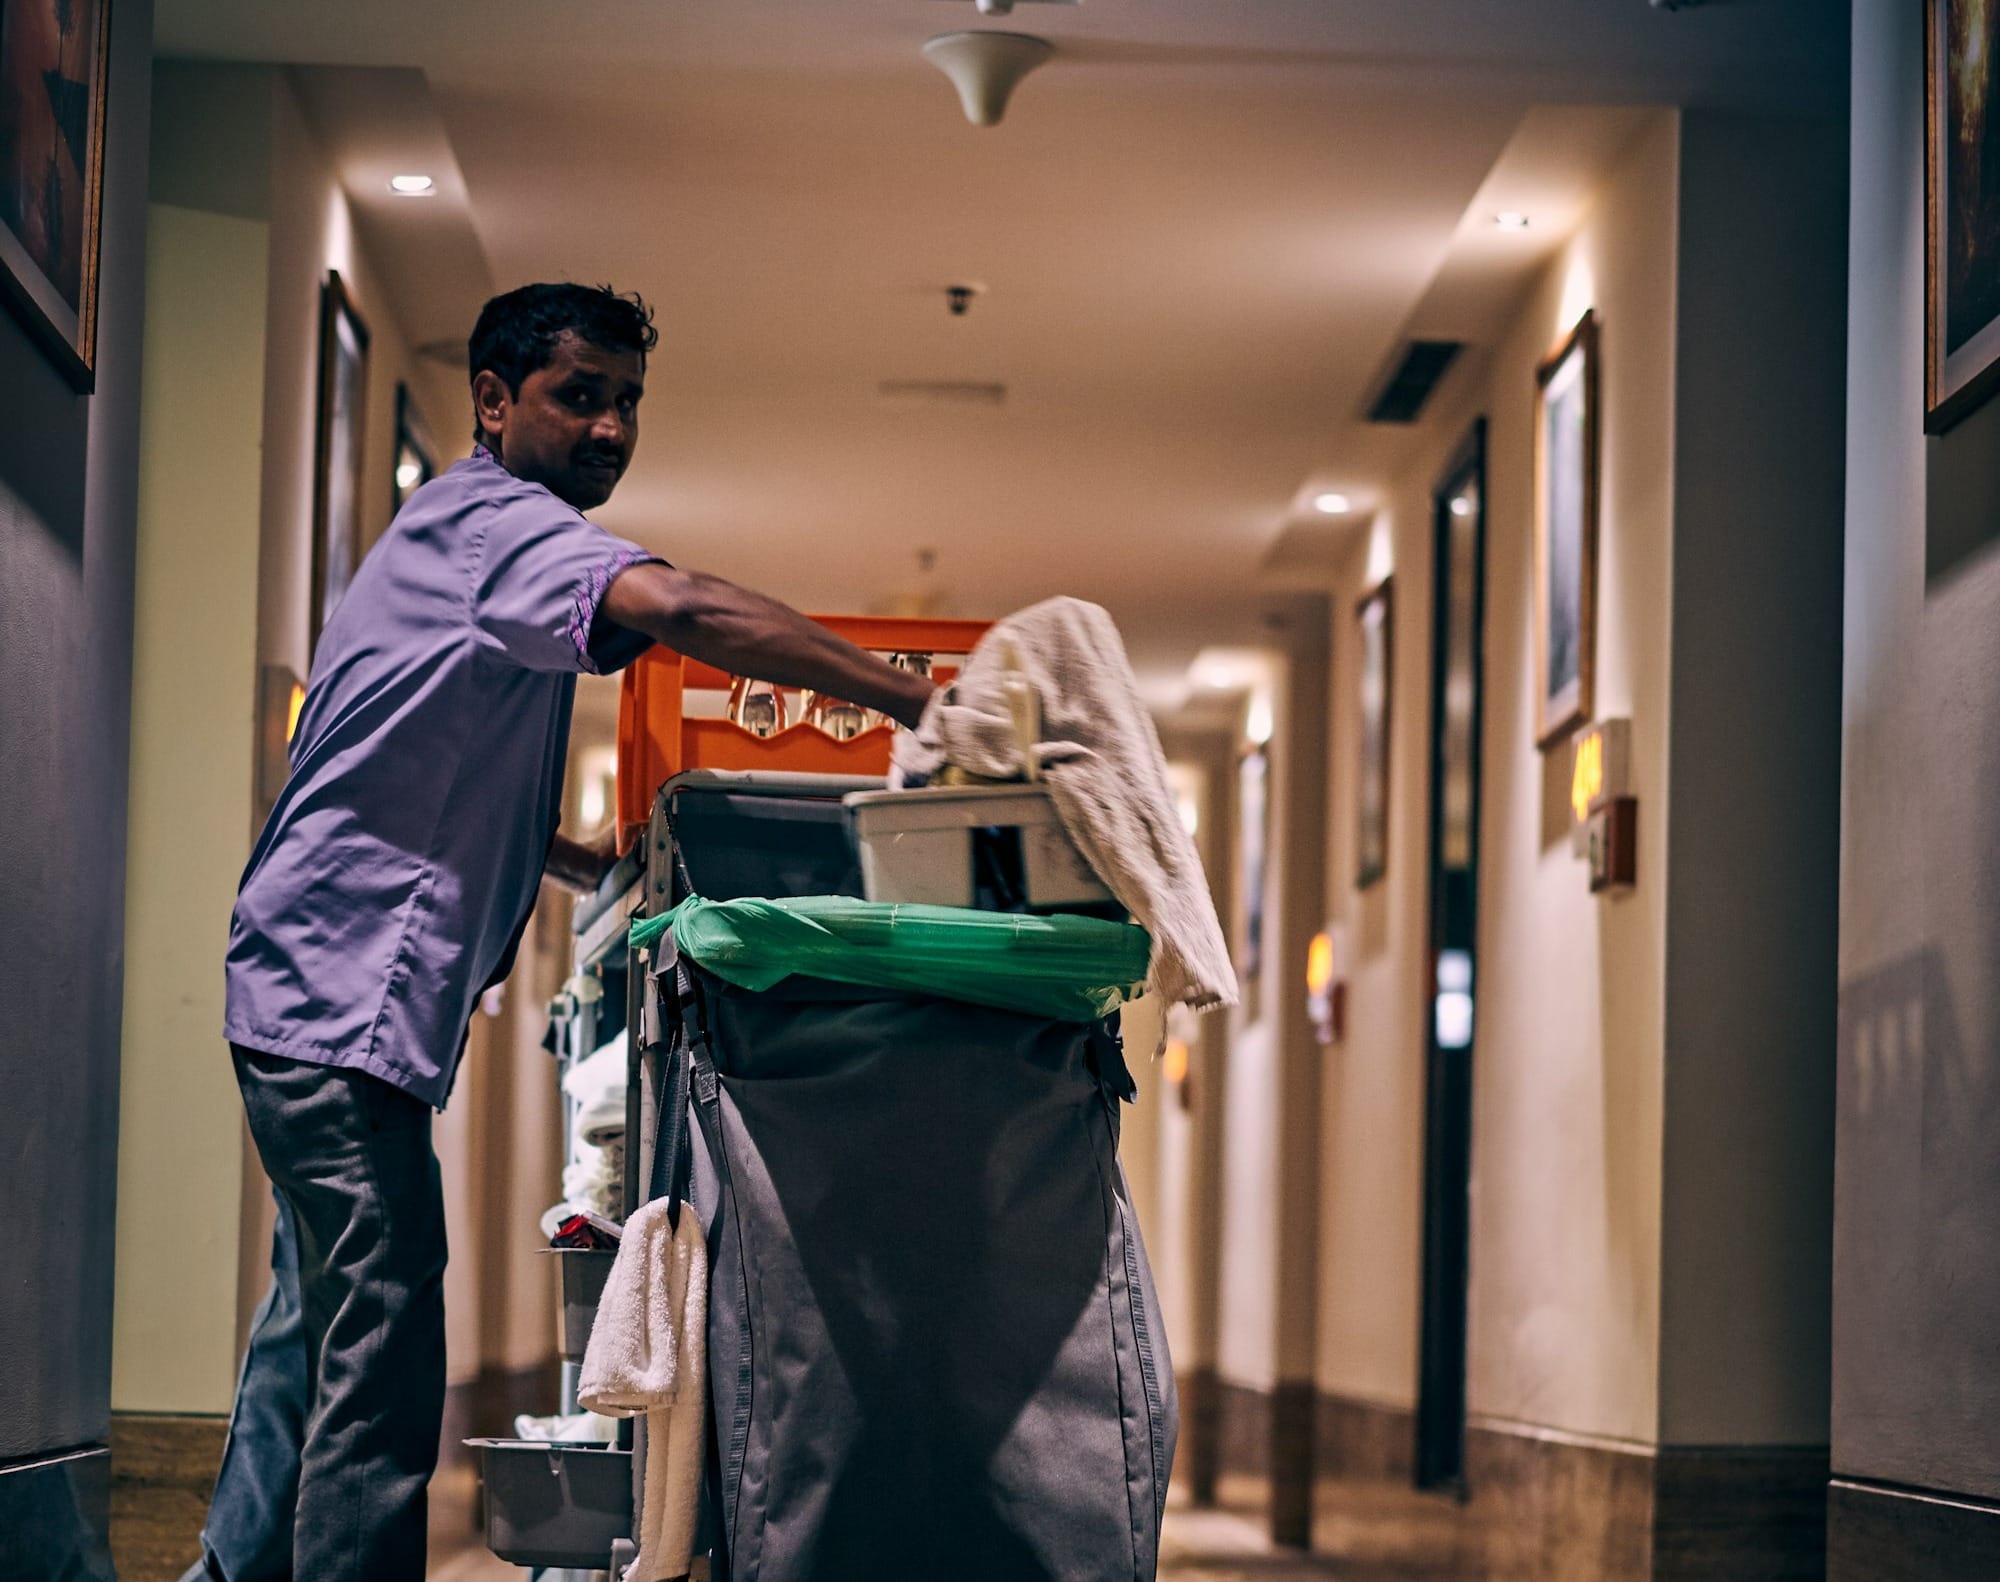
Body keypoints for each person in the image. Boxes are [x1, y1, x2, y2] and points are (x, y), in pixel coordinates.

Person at [182, 283, 933, 1582]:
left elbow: (418, 750)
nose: (609, 426)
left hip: (313, 979)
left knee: (314, 1322)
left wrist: (580, 857)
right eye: (578, 395)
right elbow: (682, 605)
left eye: (626, 400)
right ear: (493, 400)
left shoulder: (455, 538)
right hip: (332, 987)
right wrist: (910, 695)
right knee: (387, 1319)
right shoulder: (496, 524)